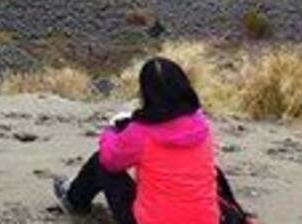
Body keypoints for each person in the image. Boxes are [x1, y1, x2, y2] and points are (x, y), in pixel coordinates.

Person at [53, 57, 250, 224]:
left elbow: (110, 160)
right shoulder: (201, 124)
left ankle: (74, 199)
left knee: (101, 163)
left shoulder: (141, 132)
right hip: (206, 220)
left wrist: (111, 130)